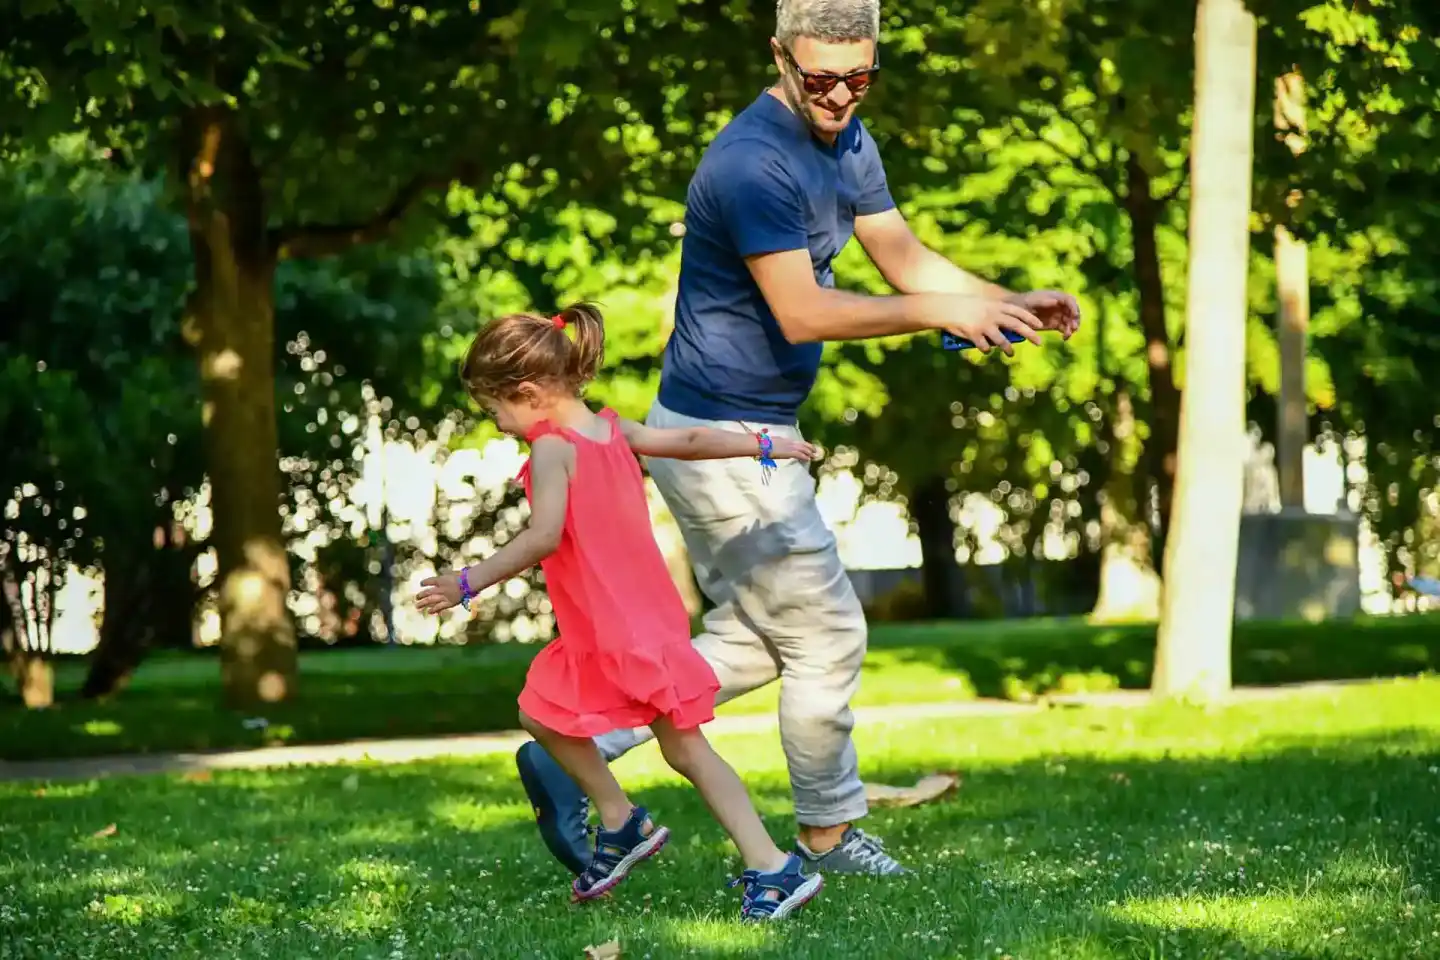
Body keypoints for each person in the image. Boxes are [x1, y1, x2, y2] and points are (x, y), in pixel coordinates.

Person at [517, 0, 1082, 879]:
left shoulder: (849, 140)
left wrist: (997, 301)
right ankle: (824, 835)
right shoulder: (750, 164)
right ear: (780, 57)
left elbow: (901, 256)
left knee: (750, 637)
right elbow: (804, 310)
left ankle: (574, 745)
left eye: (861, 79)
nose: (841, 97)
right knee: (827, 636)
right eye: (821, 79)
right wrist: (941, 313)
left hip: (751, 428)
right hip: (721, 435)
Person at [416, 303, 826, 921]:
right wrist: (762, 442)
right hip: (644, 621)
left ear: (527, 393)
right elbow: (688, 440)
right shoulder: (611, 429)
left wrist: (466, 583)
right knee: (677, 748)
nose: (498, 425)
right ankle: (729, 853)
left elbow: (544, 535)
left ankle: (671, 835)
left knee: (543, 713)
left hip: (612, 627)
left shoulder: (554, 448)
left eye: (495, 409)